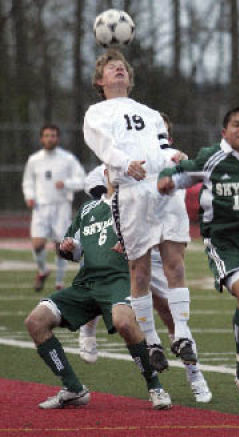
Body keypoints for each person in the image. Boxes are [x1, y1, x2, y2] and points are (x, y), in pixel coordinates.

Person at [158, 107, 239, 432]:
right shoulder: (211, 157)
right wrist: (165, 181)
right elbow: (177, 175)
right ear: (225, 132)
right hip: (224, 242)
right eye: (237, 125)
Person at [83, 49, 197, 369]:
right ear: (99, 80)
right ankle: (151, 340)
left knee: (175, 263)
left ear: (130, 79)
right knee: (140, 271)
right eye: (111, 67)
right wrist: (124, 163)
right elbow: (104, 147)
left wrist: (175, 156)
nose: (119, 70)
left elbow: (162, 146)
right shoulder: (96, 113)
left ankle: (183, 334)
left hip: (162, 188)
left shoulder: (151, 113)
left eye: (123, 68)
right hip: (131, 191)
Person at [24, 170, 172, 410]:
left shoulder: (136, 204)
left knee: (124, 322)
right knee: (35, 321)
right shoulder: (88, 209)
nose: (118, 173)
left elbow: (160, 236)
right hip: (86, 283)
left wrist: (133, 245)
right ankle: (73, 389)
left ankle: (155, 387)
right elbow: (71, 250)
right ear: (105, 173)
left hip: (121, 279)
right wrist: (69, 247)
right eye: (113, 168)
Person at [79, 163, 212, 403]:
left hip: (160, 247)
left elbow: (192, 185)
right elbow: (96, 186)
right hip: (130, 244)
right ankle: (88, 330)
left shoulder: (174, 163)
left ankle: (195, 375)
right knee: (96, 272)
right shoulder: (120, 158)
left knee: (169, 314)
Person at [22, 124, 86, 292]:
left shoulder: (68, 159)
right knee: (37, 244)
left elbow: (82, 180)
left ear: (58, 138)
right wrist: (30, 196)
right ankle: (43, 270)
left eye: (53, 135)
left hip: (61, 207)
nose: (50, 138)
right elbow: (28, 181)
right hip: (40, 207)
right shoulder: (34, 160)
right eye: (47, 135)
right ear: (41, 138)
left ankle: (59, 282)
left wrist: (66, 184)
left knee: (61, 246)